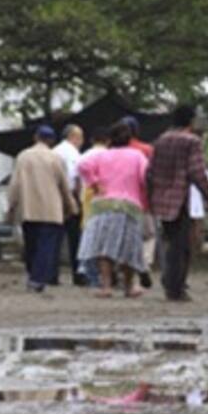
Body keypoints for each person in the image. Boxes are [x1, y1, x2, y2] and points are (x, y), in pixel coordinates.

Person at [148, 105, 208, 302]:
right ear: (191, 120)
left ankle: (170, 281)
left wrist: (150, 194)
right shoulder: (192, 141)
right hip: (180, 198)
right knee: (182, 245)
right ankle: (174, 287)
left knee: (173, 242)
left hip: (161, 198)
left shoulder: (160, 140)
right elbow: (196, 172)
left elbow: (150, 171)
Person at [77, 122, 150, 298]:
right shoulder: (137, 156)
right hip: (129, 205)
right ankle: (129, 286)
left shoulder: (102, 155)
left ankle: (106, 286)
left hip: (103, 204)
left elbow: (82, 165)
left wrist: (94, 183)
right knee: (129, 247)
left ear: (110, 139)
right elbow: (145, 176)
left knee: (104, 247)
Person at [8, 125, 78, 292]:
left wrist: (11, 206)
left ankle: (33, 275)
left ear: (35, 138)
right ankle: (37, 279)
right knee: (46, 246)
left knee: (31, 245)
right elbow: (64, 186)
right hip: (51, 210)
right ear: (52, 141)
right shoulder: (55, 158)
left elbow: (15, 184)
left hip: (29, 209)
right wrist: (71, 206)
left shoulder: (23, 157)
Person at [122, 115, 155, 289]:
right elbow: (151, 177)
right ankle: (144, 264)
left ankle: (123, 272)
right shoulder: (146, 150)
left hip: (117, 201)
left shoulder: (111, 151)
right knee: (147, 236)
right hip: (141, 200)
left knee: (123, 237)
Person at [77, 127, 110, 288]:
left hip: (88, 198)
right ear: (108, 140)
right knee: (104, 238)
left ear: (91, 140)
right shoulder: (109, 156)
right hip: (106, 198)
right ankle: (101, 275)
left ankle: (87, 269)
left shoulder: (85, 155)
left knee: (89, 235)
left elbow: (79, 176)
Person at [53, 124, 85, 285]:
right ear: (74, 137)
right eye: (80, 138)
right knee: (75, 238)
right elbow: (75, 177)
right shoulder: (73, 154)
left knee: (55, 236)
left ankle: (51, 274)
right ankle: (78, 274)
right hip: (70, 196)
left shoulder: (55, 151)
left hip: (53, 197)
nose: (81, 142)